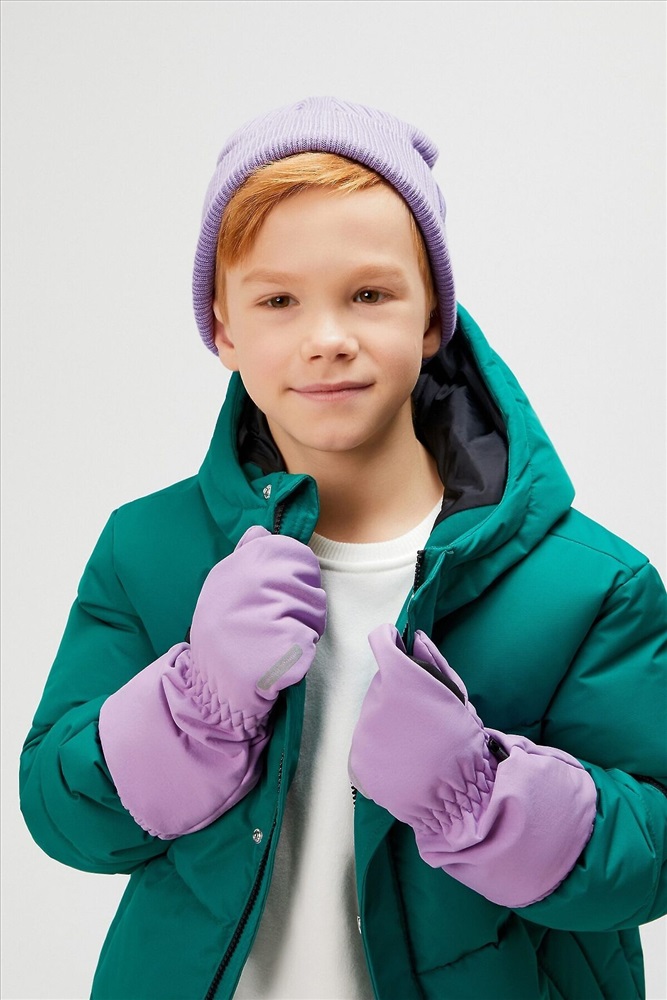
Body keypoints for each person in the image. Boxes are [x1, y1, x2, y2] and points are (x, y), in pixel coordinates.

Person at [19, 97, 667, 1000]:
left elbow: (649, 863)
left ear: (432, 316)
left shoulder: (589, 584)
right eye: (277, 300)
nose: (326, 340)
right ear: (223, 328)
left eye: (368, 294)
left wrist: (478, 794)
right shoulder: (148, 547)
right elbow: (66, 821)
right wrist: (195, 705)